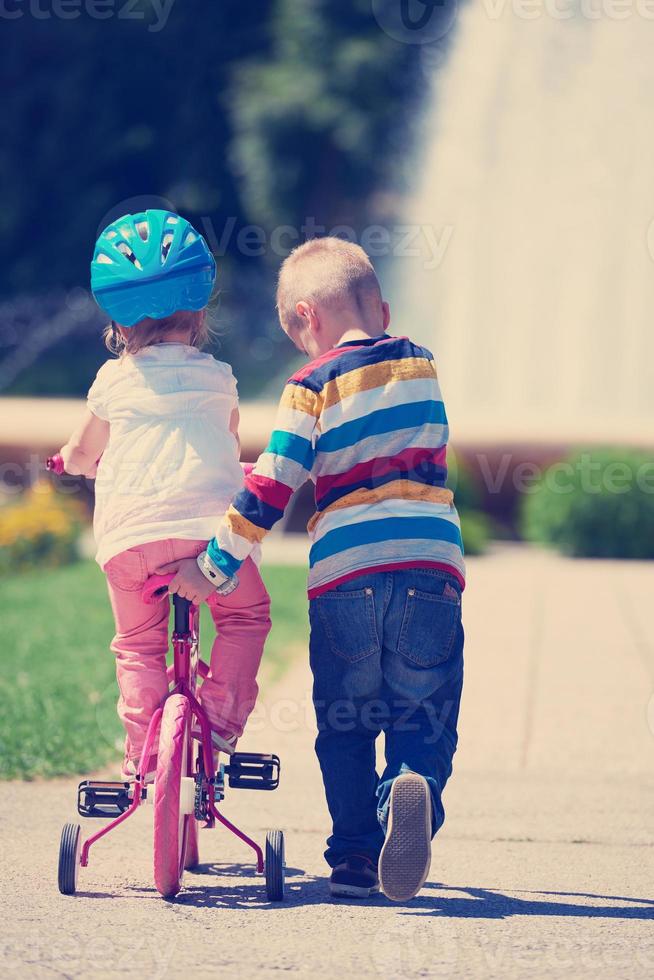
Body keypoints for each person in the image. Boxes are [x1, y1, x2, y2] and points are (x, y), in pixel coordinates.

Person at [159, 237, 465, 902]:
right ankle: (412, 787)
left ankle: (354, 857)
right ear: (379, 307)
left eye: (302, 338)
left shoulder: (309, 385)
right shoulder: (421, 363)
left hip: (345, 578)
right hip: (429, 570)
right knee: (425, 712)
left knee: (347, 722)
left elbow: (273, 485)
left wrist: (213, 567)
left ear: (309, 317)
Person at [57, 209, 271, 780]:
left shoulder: (111, 380)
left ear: (118, 319)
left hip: (131, 541)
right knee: (246, 617)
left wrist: (73, 463)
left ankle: (144, 756)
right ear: (200, 310)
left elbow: (81, 455)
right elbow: (225, 444)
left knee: (137, 645)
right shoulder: (220, 376)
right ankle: (221, 722)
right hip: (210, 536)